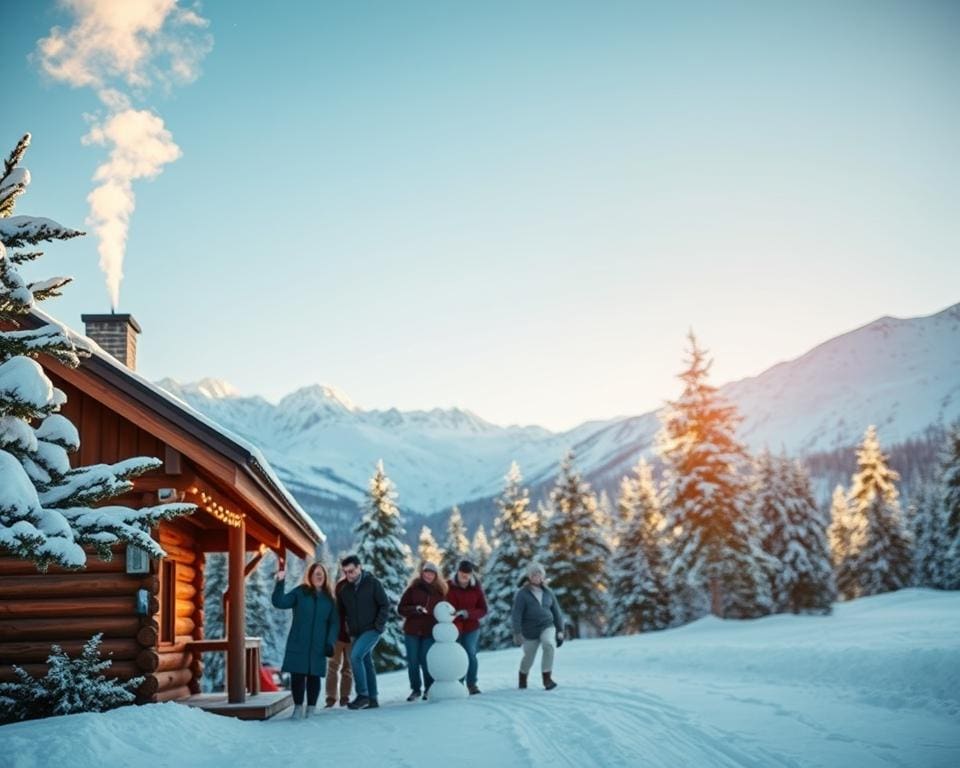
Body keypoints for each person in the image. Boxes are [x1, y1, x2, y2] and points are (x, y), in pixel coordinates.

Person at [272, 561, 339, 719]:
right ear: (310, 576)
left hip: (318, 645)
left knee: (314, 676)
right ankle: (297, 708)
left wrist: (330, 642)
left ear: (325, 577)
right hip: (299, 642)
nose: (319, 576)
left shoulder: (329, 599)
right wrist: (280, 582)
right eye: (316, 574)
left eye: (321, 574)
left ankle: (311, 708)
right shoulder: (300, 592)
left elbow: (334, 623)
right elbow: (279, 602)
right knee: (298, 676)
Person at [336, 554, 390, 710]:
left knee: (355, 656)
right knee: (366, 662)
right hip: (356, 632)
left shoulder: (372, 583)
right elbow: (341, 612)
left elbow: (384, 605)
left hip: (372, 629)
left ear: (359, 567)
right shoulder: (344, 589)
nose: (349, 575)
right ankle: (373, 699)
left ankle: (363, 695)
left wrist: (378, 626)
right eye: (346, 572)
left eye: (351, 571)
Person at [397, 561, 448, 701]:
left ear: (436, 575)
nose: (428, 575)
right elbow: (401, 609)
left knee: (426, 660)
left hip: (429, 632)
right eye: (426, 572)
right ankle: (415, 690)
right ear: (422, 573)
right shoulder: (413, 589)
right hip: (412, 631)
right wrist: (415, 609)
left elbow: (444, 610)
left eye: (432, 573)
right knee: (413, 661)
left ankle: (429, 689)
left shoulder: (440, 592)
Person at [511, 561, 564, 691]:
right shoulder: (522, 593)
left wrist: (560, 630)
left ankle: (547, 679)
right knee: (528, 657)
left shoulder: (548, 592)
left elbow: (557, 611)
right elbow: (516, 614)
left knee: (549, 644)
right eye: (534, 574)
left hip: (547, 625)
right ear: (529, 577)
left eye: (539, 574)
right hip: (529, 630)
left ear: (543, 576)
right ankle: (522, 677)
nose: (537, 576)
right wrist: (517, 633)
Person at [446, 559, 488, 695]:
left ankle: (472, 684)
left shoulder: (476, 588)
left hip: (471, 627)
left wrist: (468, 613)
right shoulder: (449, 586)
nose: (465, 576)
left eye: (467, 574)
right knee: (457, 656)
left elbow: (483, 609)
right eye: (462, 573)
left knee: (470, 653)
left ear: (471, 574)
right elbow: (445, 606)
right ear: (458, 572)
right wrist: (454, 615)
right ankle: (458, 683)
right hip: (454, 627)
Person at [324, 567, 353, 708]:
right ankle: (330, 697)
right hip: (337, 636)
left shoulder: (357, 589)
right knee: (332, 667)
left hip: (352, 638)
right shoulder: (340, 587)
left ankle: (345, 697)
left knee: (347, 668)